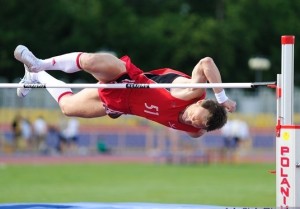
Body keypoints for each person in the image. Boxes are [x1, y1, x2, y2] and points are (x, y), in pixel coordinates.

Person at [13, 45, 236, 138]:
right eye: (193, 116)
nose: (190, 120)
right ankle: (39, 64)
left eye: (196, 123)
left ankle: (35, 76)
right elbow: (207, 62)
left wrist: (212, 120)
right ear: (199, 102)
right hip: (127, 79)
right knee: (90, 62)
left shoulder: (197, 128)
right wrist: (222, 98)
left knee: (68, 108)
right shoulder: (191, 91)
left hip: (121, 104)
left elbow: (200, 129)